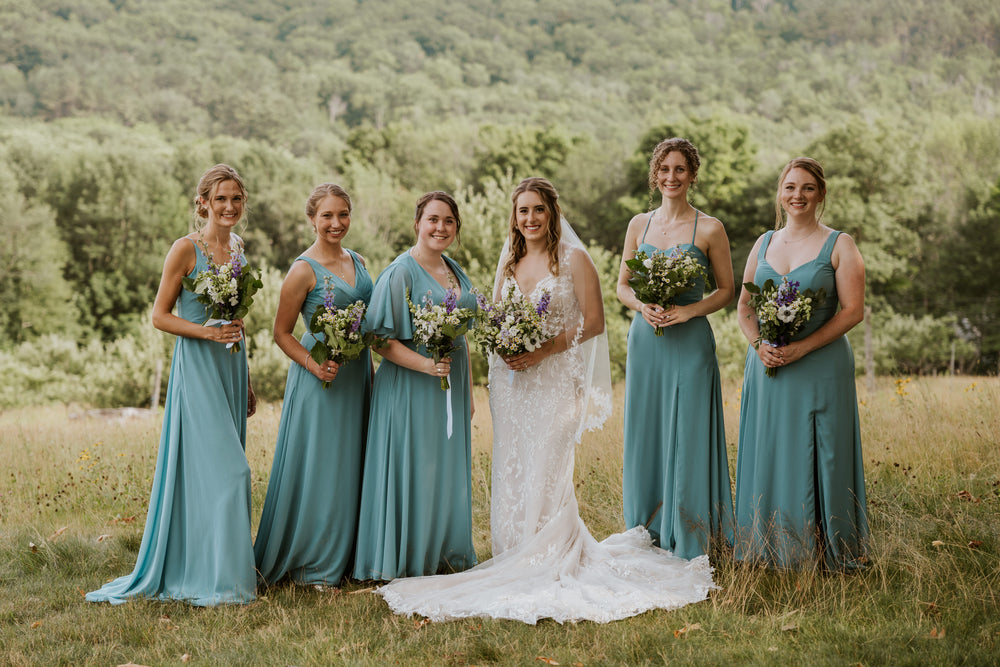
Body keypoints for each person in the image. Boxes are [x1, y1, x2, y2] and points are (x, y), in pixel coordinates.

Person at [377, 177, 716, 624]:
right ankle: (514, 552)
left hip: (556, 383)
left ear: (552, 213)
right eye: (523, 211)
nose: (530, 218)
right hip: (512, 385)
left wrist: (544, 350)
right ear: (514, 217)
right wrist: (506, 347)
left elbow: (593, 323)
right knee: (513, 467)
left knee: (549, 468)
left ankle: (552, 556)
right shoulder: (510, 259)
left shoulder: (575, 259)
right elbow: (496, 318)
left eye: (538, 210)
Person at [87, 164, 256, 606]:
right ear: (203, 202)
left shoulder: (238, 247)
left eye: (236, 198)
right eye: (220, 199)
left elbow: (237, 318)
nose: (229, 207)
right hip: (198, 366)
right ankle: (220, 582)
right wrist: (207, 333)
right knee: (231, 472)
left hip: (231, 367)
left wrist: (249, 377)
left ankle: (217, 568)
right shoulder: (185, 249)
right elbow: (159, 316)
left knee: (214, 472)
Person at [734, 157, 869, 569]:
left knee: (821, 451)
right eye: (790, 187)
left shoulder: (840, 244)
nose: (798, 196)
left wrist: (801, 347)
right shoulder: (764, 244)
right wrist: (759, 344)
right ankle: (768, 546)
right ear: (780, 193)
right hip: (768, 366)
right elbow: (744, 307)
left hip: (820, 366)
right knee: (771, 448)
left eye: (808, 188)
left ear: (821, 194)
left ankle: (829, 551)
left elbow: (853, 311)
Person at [617, 138, 735, 559]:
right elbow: (622, 286)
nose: (671, 176)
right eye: (664, 169)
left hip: (690, 340)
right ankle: (645, 528)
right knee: (647, 430)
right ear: (655, 173)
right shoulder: (639, 225)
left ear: (692, 175)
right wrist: (641, 305)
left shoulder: (710, 228)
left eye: (680, 169)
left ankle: (690, 533)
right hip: (646, 341)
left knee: (688, 432)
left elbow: (727, 290)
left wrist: (689, 312)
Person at [352, 191, 478, 580]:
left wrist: (469, 393)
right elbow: (378, 341)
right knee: (415, 468)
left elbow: (462, 338)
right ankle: (404, 557)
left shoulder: (454, 270)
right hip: (409, 386)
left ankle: (442, 550)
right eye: (433, 220)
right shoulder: (400, 273)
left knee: (441, 470)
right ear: (417, 224)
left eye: (448, 221)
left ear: (456, 228)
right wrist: (426, 364)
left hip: (449, 385)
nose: (440, 228)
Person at [253, 184, 373, 588]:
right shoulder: (302, 270)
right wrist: (314, 366)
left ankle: (352, 554)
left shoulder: (358, 260)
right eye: (327, 216)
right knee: (323, 466)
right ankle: (314, 563)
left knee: (353, 462)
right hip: (320, 377)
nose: (336, 223)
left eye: (343, 214)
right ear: (312, 219)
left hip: (357, 374)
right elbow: (281, 333)